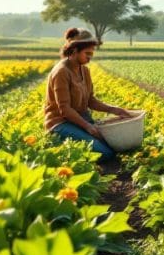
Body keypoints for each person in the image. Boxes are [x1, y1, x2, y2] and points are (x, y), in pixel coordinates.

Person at [44, 28, 131, 160]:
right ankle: (60, 145)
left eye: (92, 54)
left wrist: (114, 109)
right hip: (61, 123)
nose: (90, 58)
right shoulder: (61, 72)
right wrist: (88, 127)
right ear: (74, 50)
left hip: (81, 119)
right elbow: (65, 109)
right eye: (87, 54)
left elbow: (90, 100)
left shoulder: (84, 70)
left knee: (117, 144)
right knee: (105, 153)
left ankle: (79, 139)